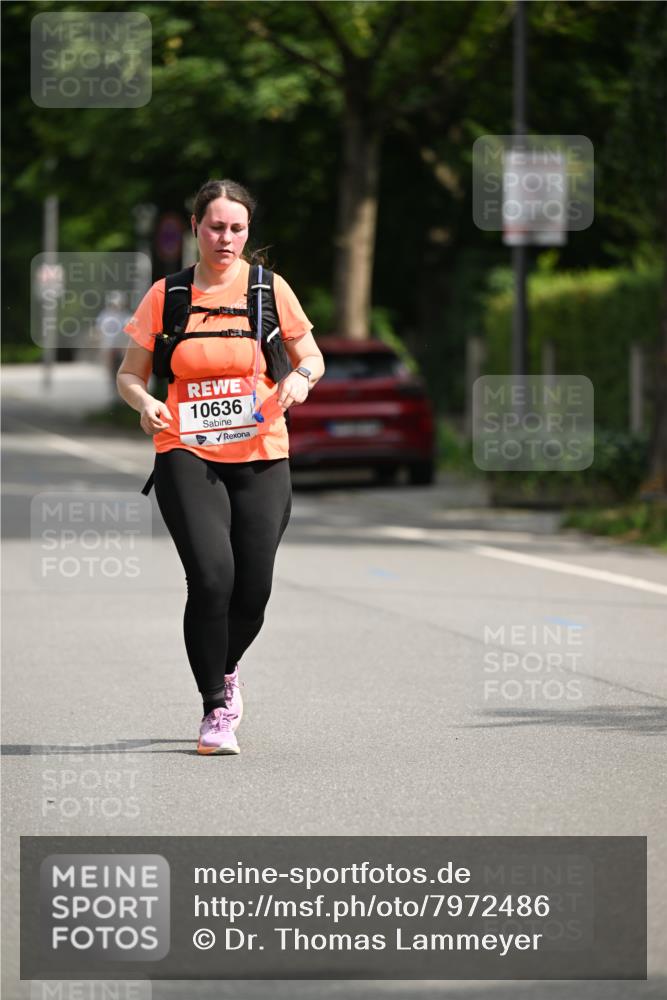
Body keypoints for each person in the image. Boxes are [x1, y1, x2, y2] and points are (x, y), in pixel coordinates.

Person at [116, 179, 325, 755]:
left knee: (252, 590)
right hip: (186, 448)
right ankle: (215, 708)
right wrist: (147, 402)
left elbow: (311, 355)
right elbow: (130, 375)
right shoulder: (168, 294)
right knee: (211, 578)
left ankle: (226, 667)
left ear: (247, 231)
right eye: (215, 226)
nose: (225, 237)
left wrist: (300, 380)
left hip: (261, 452)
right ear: (195, 228)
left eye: (236, 228)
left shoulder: (268, 289)